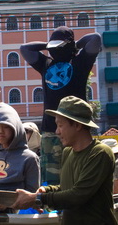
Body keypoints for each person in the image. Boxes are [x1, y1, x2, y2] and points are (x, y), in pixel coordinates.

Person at [5, 96, 118, 225]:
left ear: (77, 125)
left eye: (60, 125)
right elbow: (66, 188)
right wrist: (45, 191)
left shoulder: (100, 153)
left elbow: (78, 195)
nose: (57, 131)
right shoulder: (67, 152)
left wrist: (36, 199)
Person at [20, 27, 102, 185]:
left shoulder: (80, 62)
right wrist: (49, 44)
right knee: (52, 181)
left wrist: (75, 46)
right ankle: (53, 207)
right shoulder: (46, 64)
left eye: (60, 47)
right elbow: (25, 48)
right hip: (51, 131)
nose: (55, 50)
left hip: (76, 128)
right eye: (53, 48)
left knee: (78, 177)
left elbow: (95, 39)